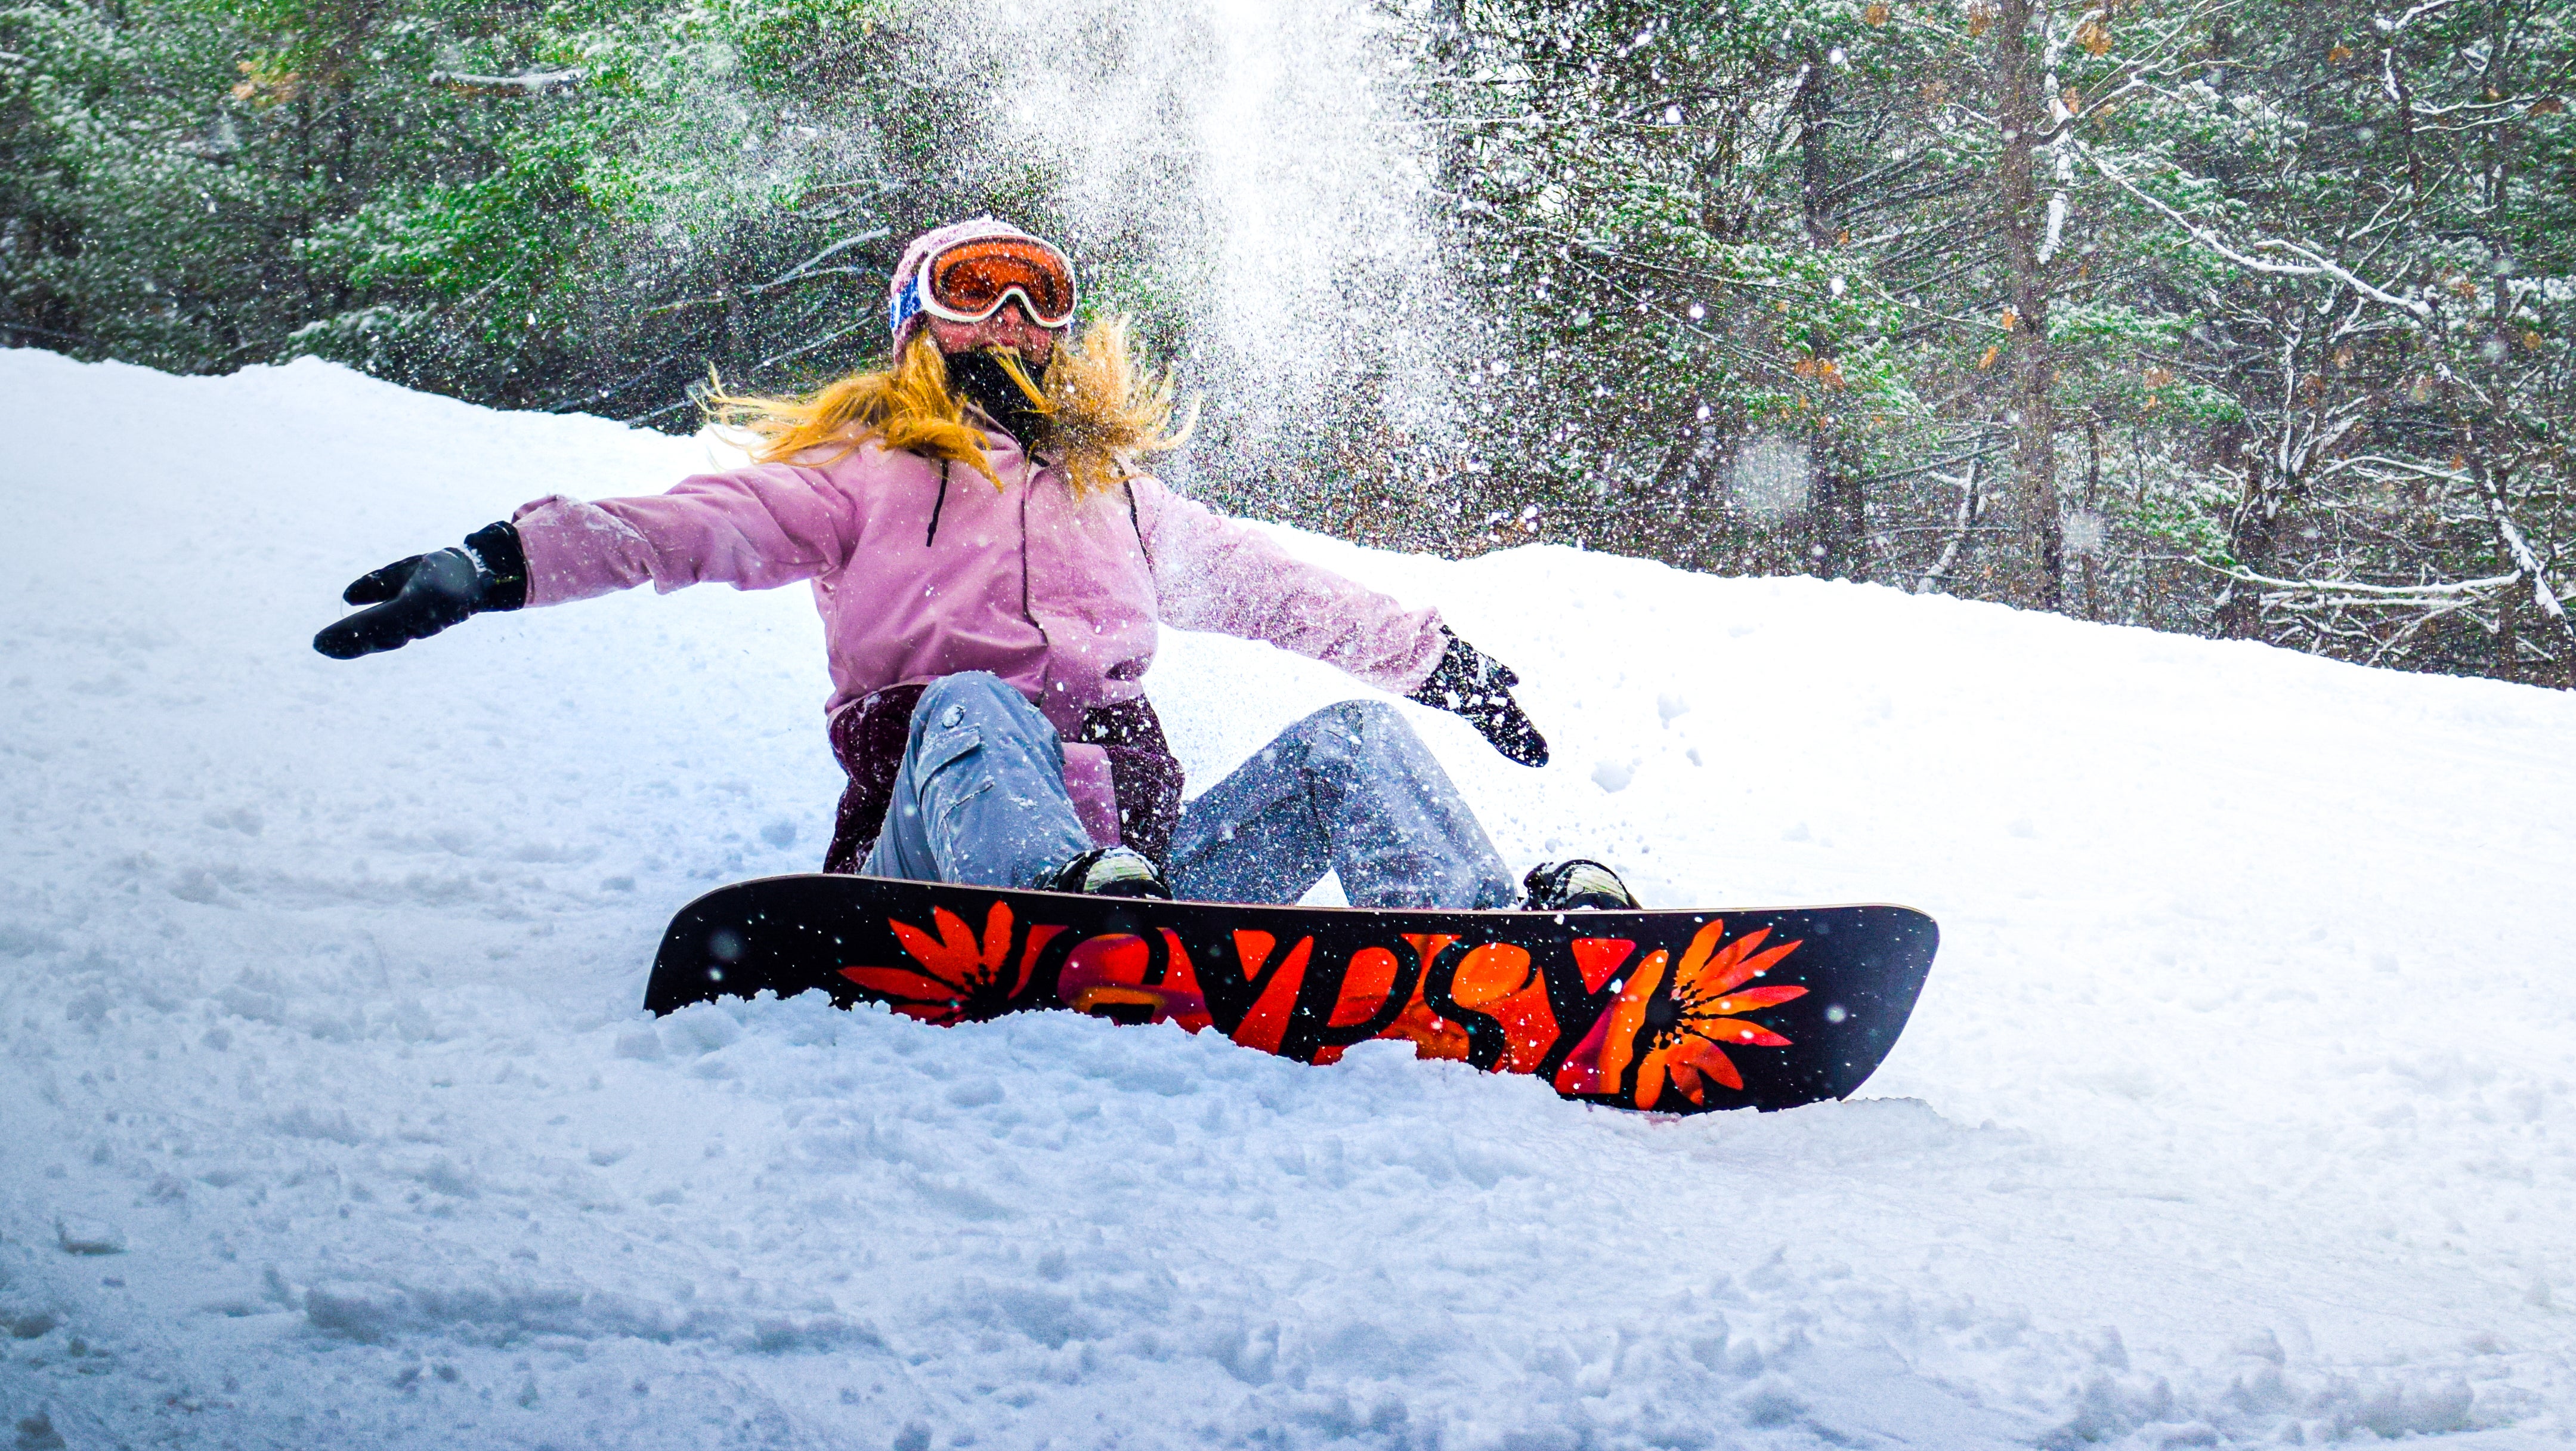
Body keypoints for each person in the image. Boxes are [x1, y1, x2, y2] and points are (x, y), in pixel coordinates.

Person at [313, 216, 1636, 913]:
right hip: (935, 861)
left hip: (1152, 880)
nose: (1009, 320)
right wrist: (494, 562)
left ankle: (1481, 944)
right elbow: (684, 526)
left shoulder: (1114, 495)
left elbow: (1276, 584)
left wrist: (1436, 661)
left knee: (1346, 738)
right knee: (975, 697)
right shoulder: (857, 473)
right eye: (974, 291)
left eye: (1036, 297)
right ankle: (1049, 891)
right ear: (916, 324)